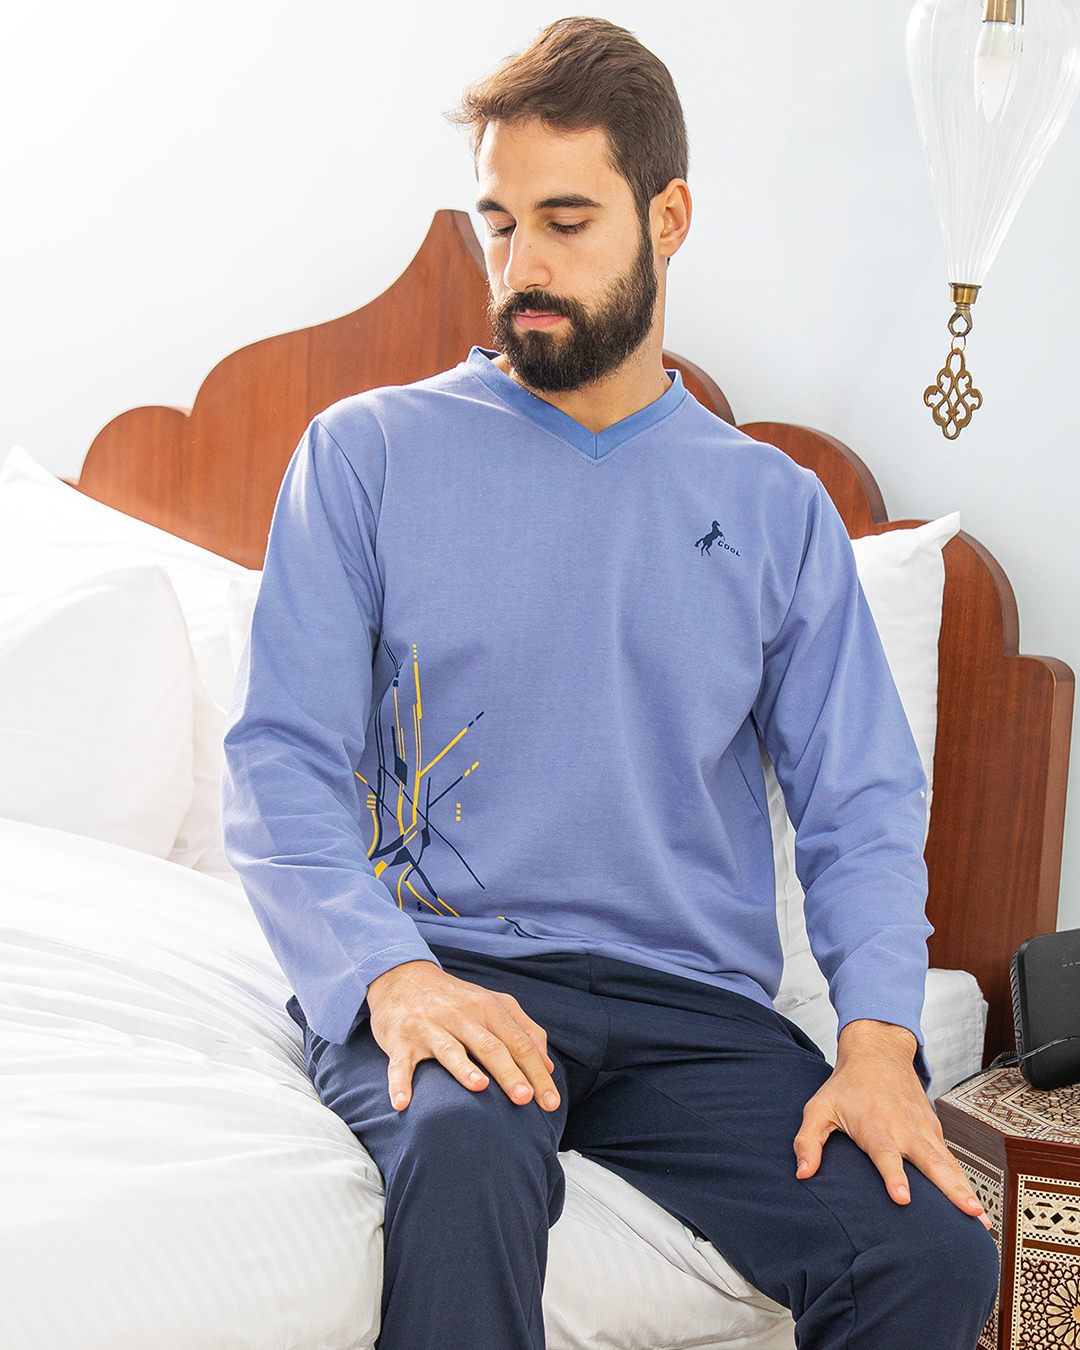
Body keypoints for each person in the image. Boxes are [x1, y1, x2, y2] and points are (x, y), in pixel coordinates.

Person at [222, 16, 999, 1349]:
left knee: (928, 1251)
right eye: (499, 223)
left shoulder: (777, 509)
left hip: (689, 1013)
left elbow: (859, 805)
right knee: (469, 1153)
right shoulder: (365, 455)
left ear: (668, 217)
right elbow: (281, 760)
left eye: (566, 222)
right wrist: (393, 979)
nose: (521, 265)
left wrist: (879, 1041)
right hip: (447, 964)